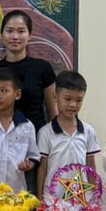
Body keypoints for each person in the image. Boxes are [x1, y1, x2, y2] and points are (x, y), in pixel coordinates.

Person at [0, 10, 57, 131]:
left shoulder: (43, 67)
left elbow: (53, 112)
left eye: (21, 31)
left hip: (37, 138)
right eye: (9, 31)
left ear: (29, 35)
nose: (15, 37)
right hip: (0, 138)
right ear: (2, 34)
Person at [36, 70, 99, 199]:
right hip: (53, 200)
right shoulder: (45, 132)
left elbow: (91, 166)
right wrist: (40, 198)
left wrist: (96, 196)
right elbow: (42, 168)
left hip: (82, 198)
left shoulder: (88, 131)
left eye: (79, 100)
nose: (73, 104)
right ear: (55, 97)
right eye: (67, 99)